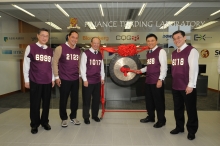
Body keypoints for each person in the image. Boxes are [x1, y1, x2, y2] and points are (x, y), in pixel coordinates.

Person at [23, 28, 55, 134]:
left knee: (46, 104)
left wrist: (53, 78)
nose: (44, 37)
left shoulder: (50, 50)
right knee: (35, 104)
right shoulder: (31, 47)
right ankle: (34, 124)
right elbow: (26, 64)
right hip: (35, 80)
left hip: (47, 81)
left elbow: (52, 66)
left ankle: (44, 122)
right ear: (37, 36)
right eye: (42, 35)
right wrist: (26, 80)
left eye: (46, 36)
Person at [170, 30, 199, 140]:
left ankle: (192, 130)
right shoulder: (173, 53)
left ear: (184, 37)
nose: (176, 40)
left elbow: (194, 69)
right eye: (174, 38)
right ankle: (179, 127)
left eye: (179, 37)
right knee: (178, 108)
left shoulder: (191, 51)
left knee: (191, 109)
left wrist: (191, 85)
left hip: (187, 87)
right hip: (176, 86)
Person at [136, 34, 167, 128]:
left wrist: (160, 79)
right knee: (149, 101)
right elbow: (149, 66)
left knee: (159, 102)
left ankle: (161, 120)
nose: (150, 42)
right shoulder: (148, 53)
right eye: (148, 41)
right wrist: (141, 70)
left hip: (157, 81)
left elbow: (164, 67)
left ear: (156, 41)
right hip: (148, 81)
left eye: (152, 40)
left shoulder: (161, 51)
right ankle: (151, 117)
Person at [52, 30, 81, 127]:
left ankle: (73, 117)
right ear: (68, 37)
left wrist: (80, 76)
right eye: (73, 37)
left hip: (75, 79)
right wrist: (56, 77)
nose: (74, 39)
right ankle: (64, 118)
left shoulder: (78, 50)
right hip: (64, 78)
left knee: (75, 100)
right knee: (63, 99)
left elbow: (79, 64)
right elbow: (54, 63)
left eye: (76, 38)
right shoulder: (60, 48)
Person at [80, 37, 105, 124]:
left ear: (99, 44)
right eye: (94, 43)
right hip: (88, 81)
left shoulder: (99, 54)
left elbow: (101, 67)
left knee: (96, 100)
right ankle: (86, 117)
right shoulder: (85, 53)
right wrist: (85, 79)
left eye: (98, 43)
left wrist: (102, 77)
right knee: (86, 100)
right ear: (91, 43)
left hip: (97, 81)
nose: (96, 45)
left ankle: (95, 115)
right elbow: (82, 67)